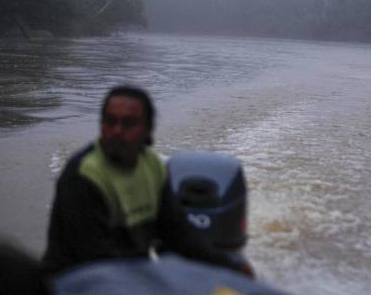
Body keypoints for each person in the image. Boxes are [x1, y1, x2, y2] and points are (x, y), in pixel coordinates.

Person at [42, 86, 252, 278]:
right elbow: (94, 260)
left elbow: (178, 232)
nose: (117, 130)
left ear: (148, 129)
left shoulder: (152, 166)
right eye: (110, 121)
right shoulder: (84, 176)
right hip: (76, 282)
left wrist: (230, 265)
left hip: (130, 276)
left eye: (129, 123)